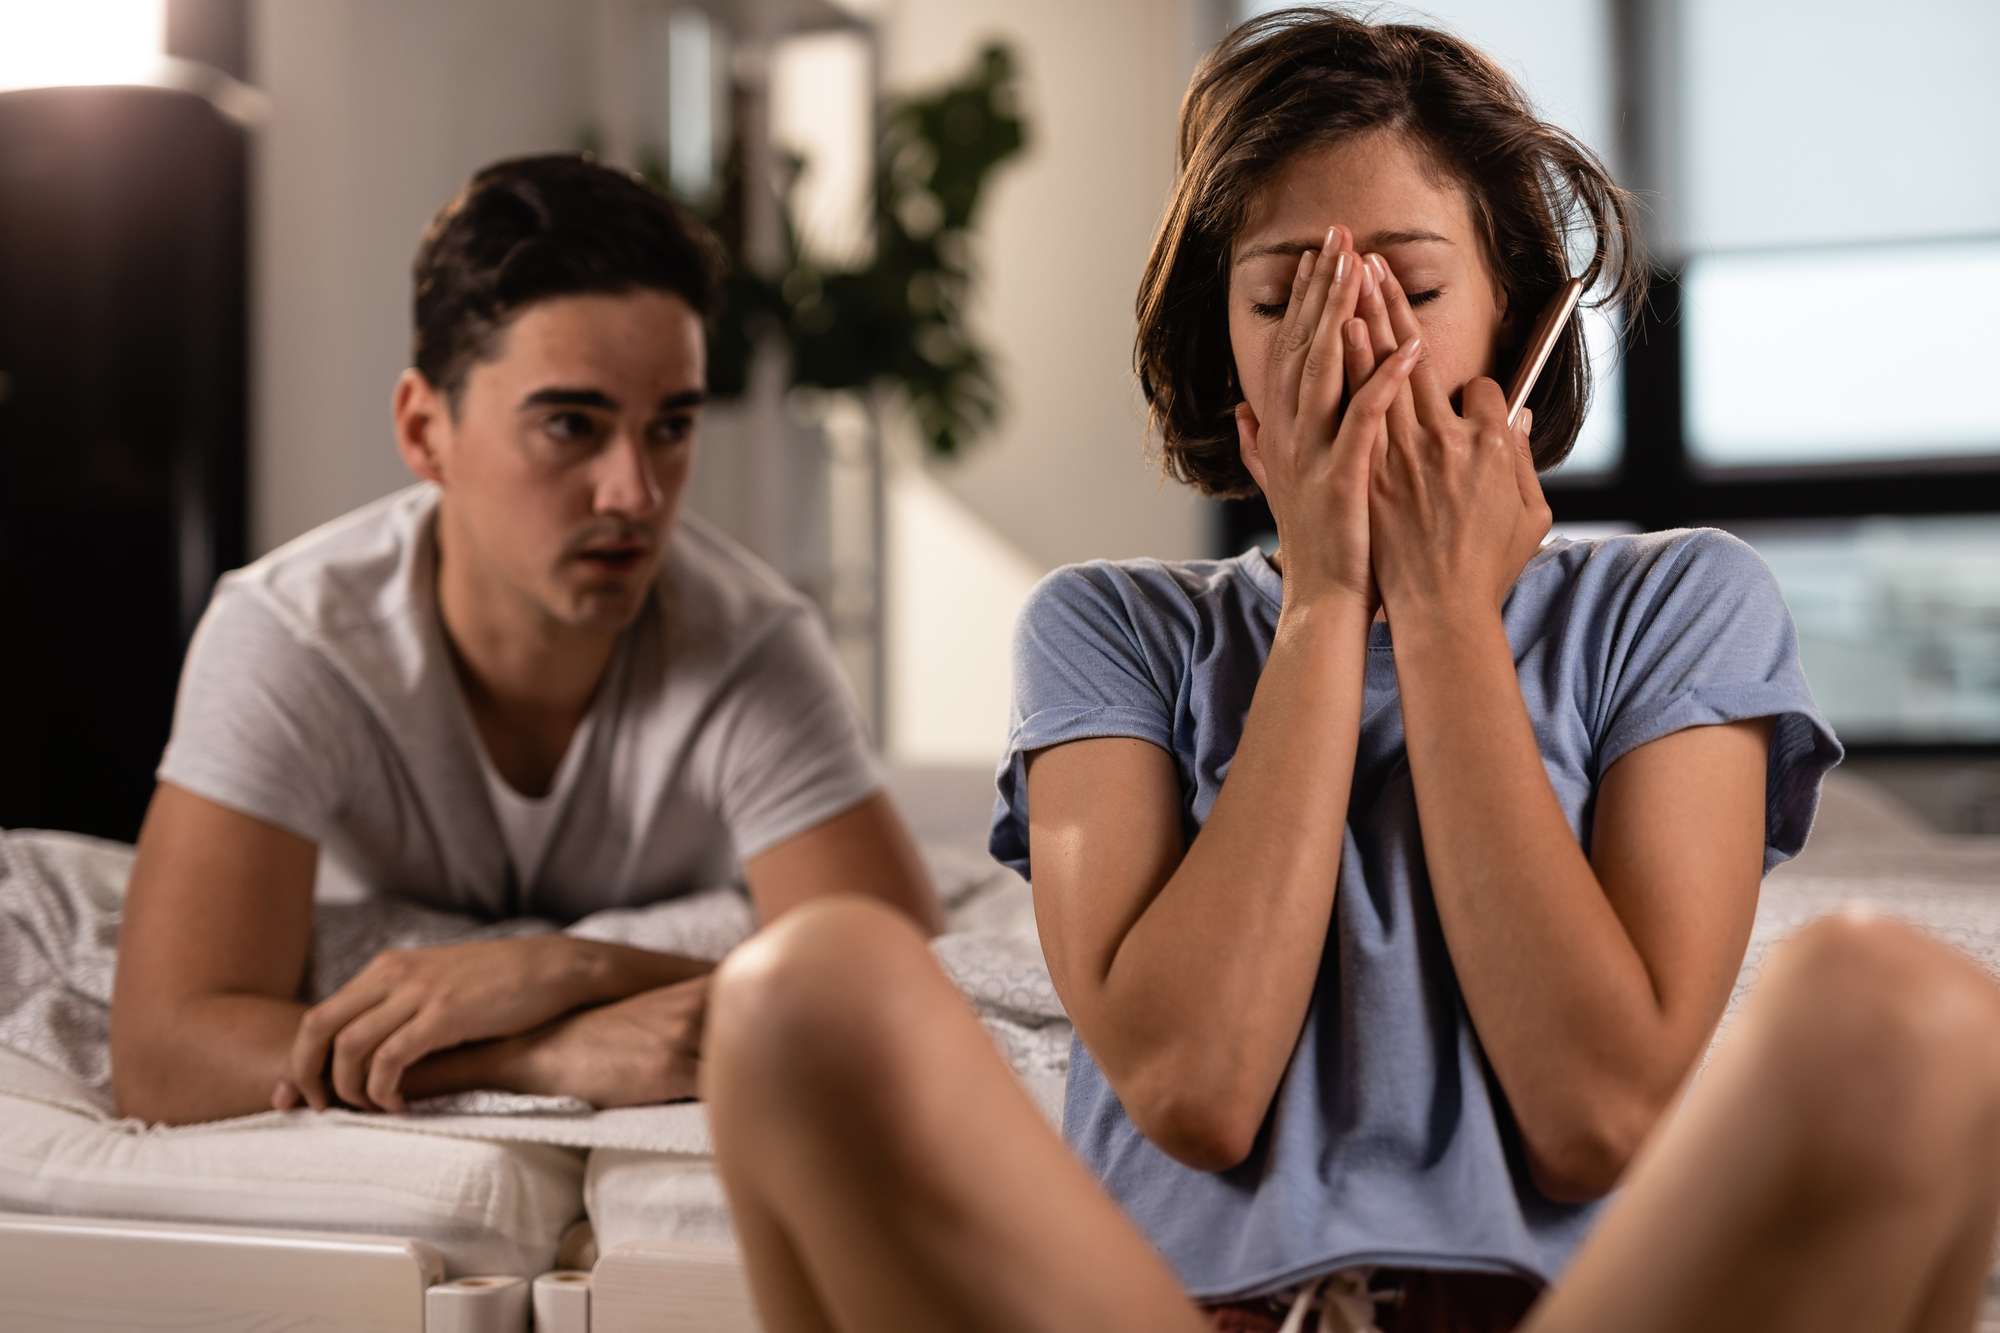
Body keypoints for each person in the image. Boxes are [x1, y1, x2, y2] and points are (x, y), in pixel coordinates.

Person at [688, 9, 2000, 1332]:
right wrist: (1324, 600)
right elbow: (1196, 1086)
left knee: (1903, 1006)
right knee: (803, 993)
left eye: (1412, 293)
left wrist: (1440, 614)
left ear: (1518, 327)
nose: (1362, 353)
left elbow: (1594, 1116)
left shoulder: (1675, 605)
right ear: (1227, 349)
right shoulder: (1113, 631)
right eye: (1289, 301)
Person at [110, 154, 943, 1128]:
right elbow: (164, 1055)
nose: (634, 492)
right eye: (569, 425)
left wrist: (563, 965)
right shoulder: (293, 636)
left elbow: (903, 997)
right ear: (426, 431)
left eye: (670, 427)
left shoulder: (752, 645)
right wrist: (535, 1053)